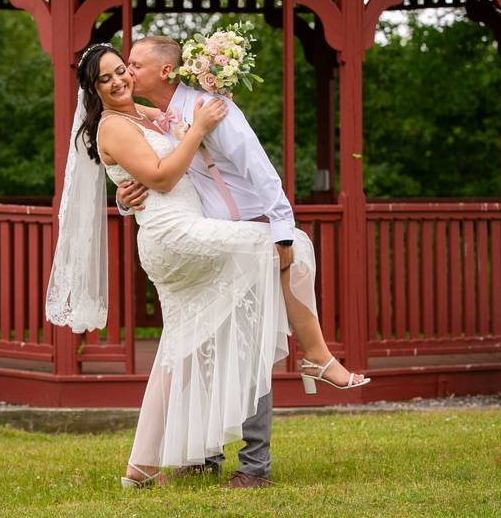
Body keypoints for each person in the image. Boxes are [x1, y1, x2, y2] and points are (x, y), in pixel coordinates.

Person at [45, 42, 368, 490]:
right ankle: (316, 356)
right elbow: (159, 176)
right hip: (175, 239)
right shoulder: (117, 123)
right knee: (288, 247)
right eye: (109, 77)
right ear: (93, 89)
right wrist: (195, 130)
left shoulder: (148, 111)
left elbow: (142, 173)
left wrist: (124, 193)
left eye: (124, 69)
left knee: (183, 351)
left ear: (161, 70)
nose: (121, 79)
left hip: (191, 228)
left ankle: (160, 462)